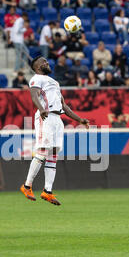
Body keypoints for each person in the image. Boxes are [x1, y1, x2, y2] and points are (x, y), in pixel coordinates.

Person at [20, 56, 89, 206]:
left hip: (57, 119)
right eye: (43, 62)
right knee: (43, 152)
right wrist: (41, 108)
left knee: (53, 155)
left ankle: (47, 191)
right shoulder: (36, 78)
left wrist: (79, 120)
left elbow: (64, 106)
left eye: (47, 60)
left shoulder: (54, 82)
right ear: (37, 67)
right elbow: (34, 95)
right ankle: (27, 186)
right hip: (46, 116)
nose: (47, 63)